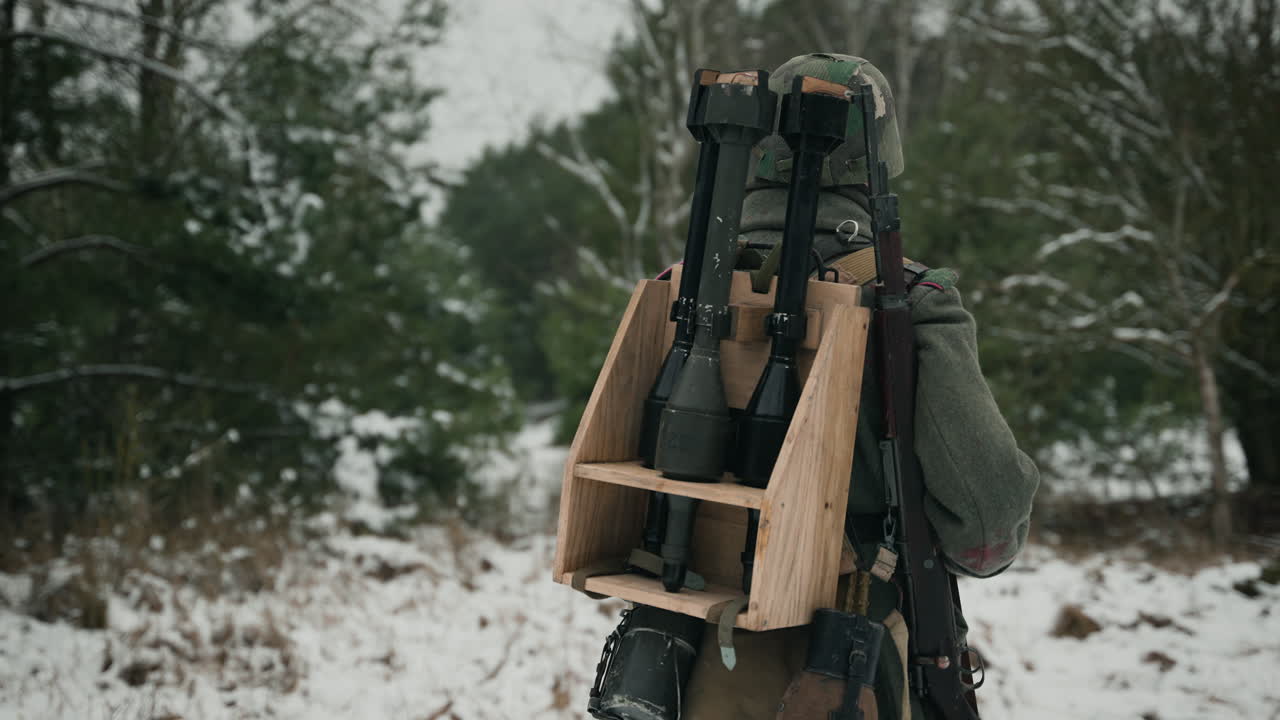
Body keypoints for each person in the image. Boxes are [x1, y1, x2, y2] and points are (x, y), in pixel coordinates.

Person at [680, 53, 1041, 720]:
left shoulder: (681, 289)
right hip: (849, 659)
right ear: (879, 150)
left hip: (692, 652)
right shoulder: (910, 299)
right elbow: (986, 515)